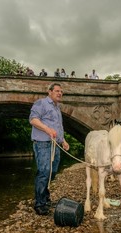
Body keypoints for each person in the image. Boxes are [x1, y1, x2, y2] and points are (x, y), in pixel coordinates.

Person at [29, 82, 70, 215]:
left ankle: (45, 197)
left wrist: (63, 140)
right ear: (50, 92)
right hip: (42, 143)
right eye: (57, 91)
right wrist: (47, 130)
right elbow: (33, 120)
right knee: (44, 171)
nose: (60, 93)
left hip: (55, 144)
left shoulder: (57, 108)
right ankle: (39, 203)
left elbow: (58, 127)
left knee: (52, 172)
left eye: (61, 91)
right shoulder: (41, 104)